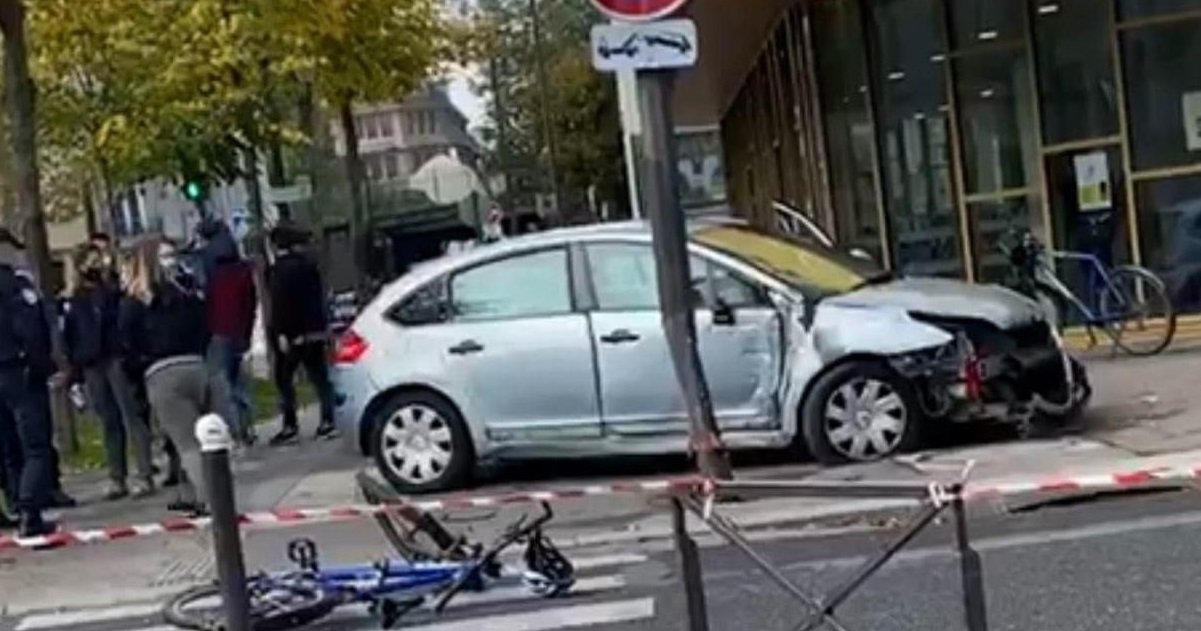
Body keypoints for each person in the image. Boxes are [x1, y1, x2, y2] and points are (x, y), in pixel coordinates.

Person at [120, 239, 233, 515]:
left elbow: (126, 345)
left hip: (162, 372)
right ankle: (192, 492)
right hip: (197, 365)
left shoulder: (133, 303)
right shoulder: (185, 294)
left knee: (187, 443)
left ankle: (213, 501)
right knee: (211, 438)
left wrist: (138, 375)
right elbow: (205, 327)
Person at [63, 245, 155, 499]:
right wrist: (75, 371)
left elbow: (120, 318)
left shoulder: (111, 292)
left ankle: (144, 473)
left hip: (115, 358)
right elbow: (70, 336)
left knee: (131, 416)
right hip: (92, 363)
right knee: (109, 422)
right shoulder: (75, 300)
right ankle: (117, 477)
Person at [0, 227, 57, 536]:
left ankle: (14, 502)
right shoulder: (15, 285)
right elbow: (32, 329)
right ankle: (29, 509)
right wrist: (43, 365)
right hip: (18, 371)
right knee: (35, 445)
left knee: (9, 446)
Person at [267, 223, 337, 446]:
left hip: (293, 333)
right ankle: (328, 421)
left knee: (284, 378)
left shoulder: (279, 270)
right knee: (320, 378)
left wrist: (281, 332)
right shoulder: (310, 266)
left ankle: (290, 425)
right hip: (314, 330)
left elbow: (280, 304)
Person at [198, 219, 257, 446]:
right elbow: (250, 303)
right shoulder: (241, 269)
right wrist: (248, 331)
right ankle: (247, 427)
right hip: (239, 329)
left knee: (224, 384)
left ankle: (235, 431)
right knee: (240, 383)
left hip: (218, 329)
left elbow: (206, 301)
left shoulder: (207, 265)